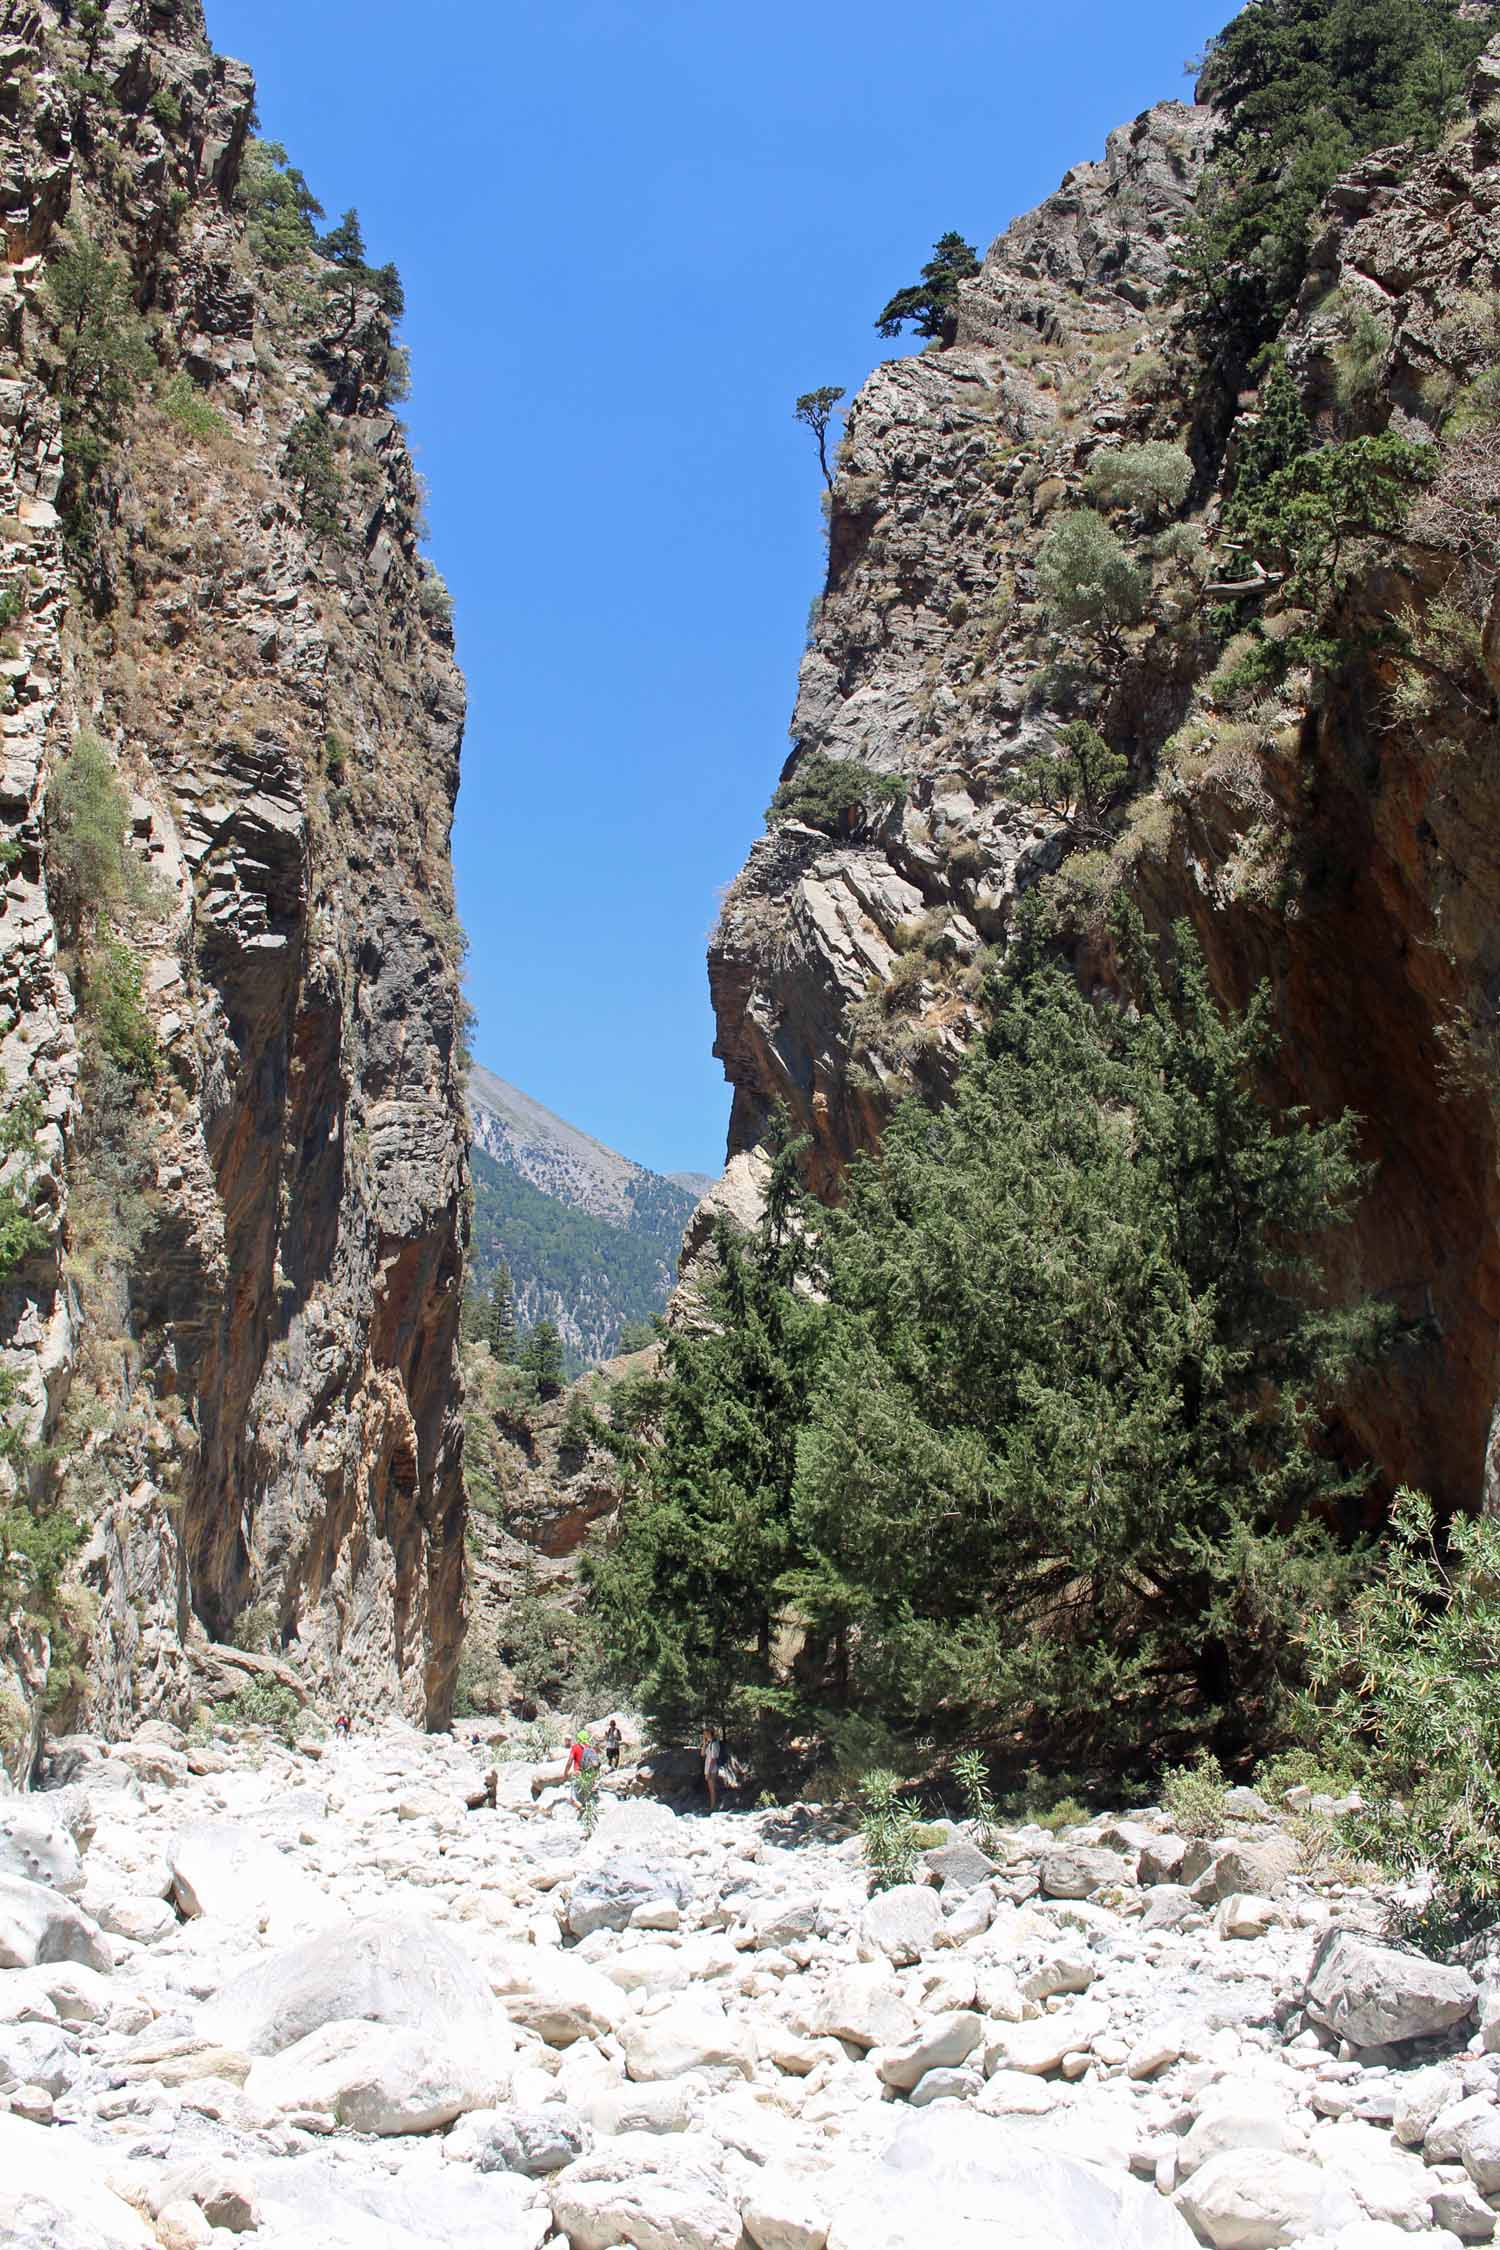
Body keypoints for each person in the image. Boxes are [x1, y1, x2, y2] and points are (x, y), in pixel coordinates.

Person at [702, 1725, 723, 1813]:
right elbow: (702, 1754)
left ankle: (713, 1807)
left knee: (712, 1788)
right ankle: (713, 1805)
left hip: (712, 1769)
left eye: (706, 1734)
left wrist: (709, 1772)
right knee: (711, 1788)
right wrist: (704, 1743)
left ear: (710, 1733)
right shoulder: (709, 1743)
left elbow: (714, 1759)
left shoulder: (715, 1743)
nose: (705, 1736)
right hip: (708, 1768)